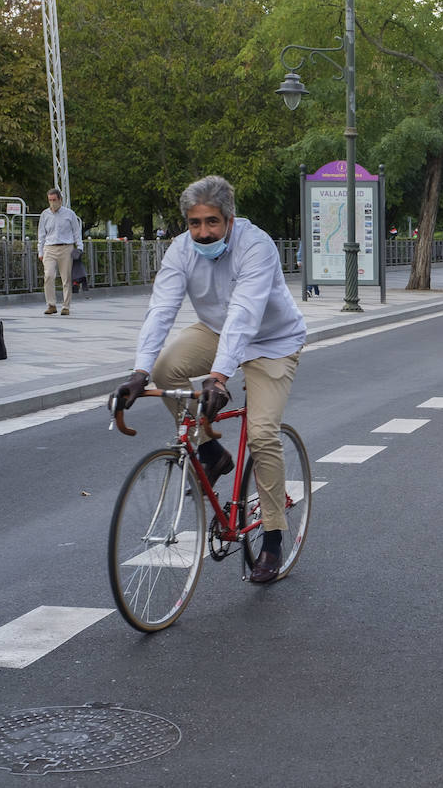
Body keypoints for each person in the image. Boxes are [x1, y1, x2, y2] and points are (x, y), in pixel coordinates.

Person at [112, 175, 306, 584]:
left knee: (263, 433)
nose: (203, 232)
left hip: (271, 341)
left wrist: (219, 377)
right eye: (195, 222)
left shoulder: (256, 245)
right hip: (216, 330)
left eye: (212, 222)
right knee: (166, 369)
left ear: (230, 219)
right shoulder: (181, 250)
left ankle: (272, 535)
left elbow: (246, 314)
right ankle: (210, 453)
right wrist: (138, 371)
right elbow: (161, 308)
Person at [37, 188, 83, 316]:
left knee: (66, 278)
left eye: (54, 200)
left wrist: (79, 248)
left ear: (60, 200)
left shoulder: (70, 214)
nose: (52, 203)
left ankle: (66, 306)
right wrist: (40, 251)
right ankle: (51, 304)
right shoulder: (45, 214)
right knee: (49, 275)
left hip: (66, 247)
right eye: (50, 200)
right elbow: (41, 234)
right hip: (49, 248)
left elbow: (76, 232)